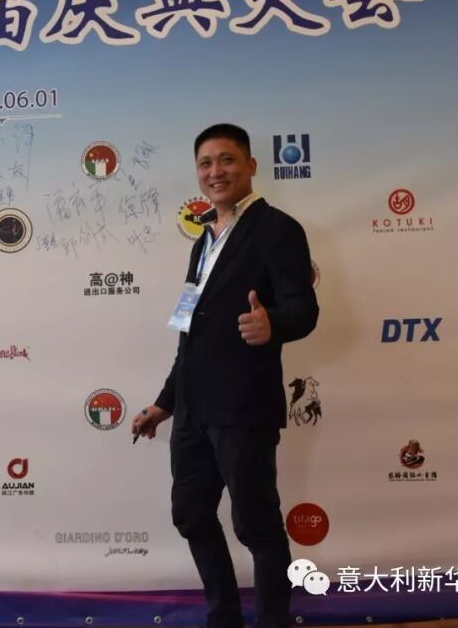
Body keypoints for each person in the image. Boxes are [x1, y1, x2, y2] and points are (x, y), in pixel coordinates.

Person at [132, 123, 319, 628]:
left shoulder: (278, 229)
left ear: (251, 166)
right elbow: (188, 334)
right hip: (193, 412)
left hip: (243, 408)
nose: (216, 171)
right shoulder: (202, 241)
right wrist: (165, 404)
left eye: (227, 160)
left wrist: (272, 323)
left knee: (256, 526)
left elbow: (304, 309)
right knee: (191, 515)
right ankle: (224, 618)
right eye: (206, 163)